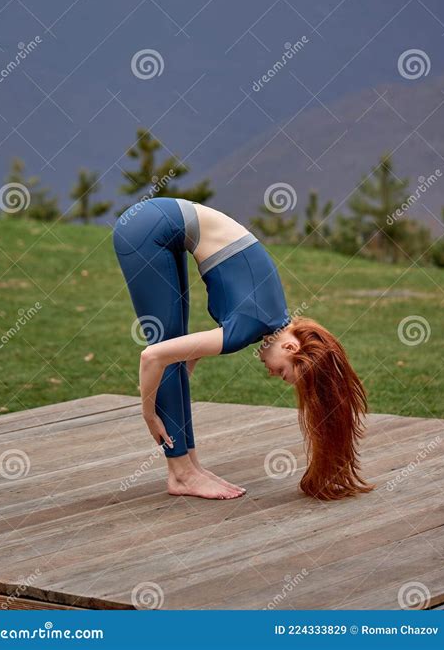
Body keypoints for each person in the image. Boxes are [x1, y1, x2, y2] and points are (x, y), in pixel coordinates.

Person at [113, 197, 374, 501]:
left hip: (159, 222)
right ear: (291, 346)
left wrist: (181, 373)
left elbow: (188, 352)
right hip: (145, 229)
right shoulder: (247, 329)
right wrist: (149, 414)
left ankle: (190, 467)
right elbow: (151, 357)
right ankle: (182, 474)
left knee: (174, 357)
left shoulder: (274, 316)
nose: (272, 374)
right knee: (165, 350)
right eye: (282, 372)